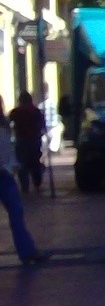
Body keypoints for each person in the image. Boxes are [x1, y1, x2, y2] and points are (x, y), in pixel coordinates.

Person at [0, 99, 45, 265]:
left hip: (5, 173)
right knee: (16, 213)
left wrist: (12, 163)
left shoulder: (6, 122)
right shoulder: (5, 123)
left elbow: (7, 148)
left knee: (16, 212)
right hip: (5, 172)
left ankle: (27, 251)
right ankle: (27, 251)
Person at [8, 93, 46, 195]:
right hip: (34, 140)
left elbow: (8, 123)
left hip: (21, 140)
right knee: (35, 161)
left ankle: (25, 186)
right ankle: (37, 182)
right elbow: (42, 125)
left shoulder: (16, 112)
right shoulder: (36, 111)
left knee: (22, 163)